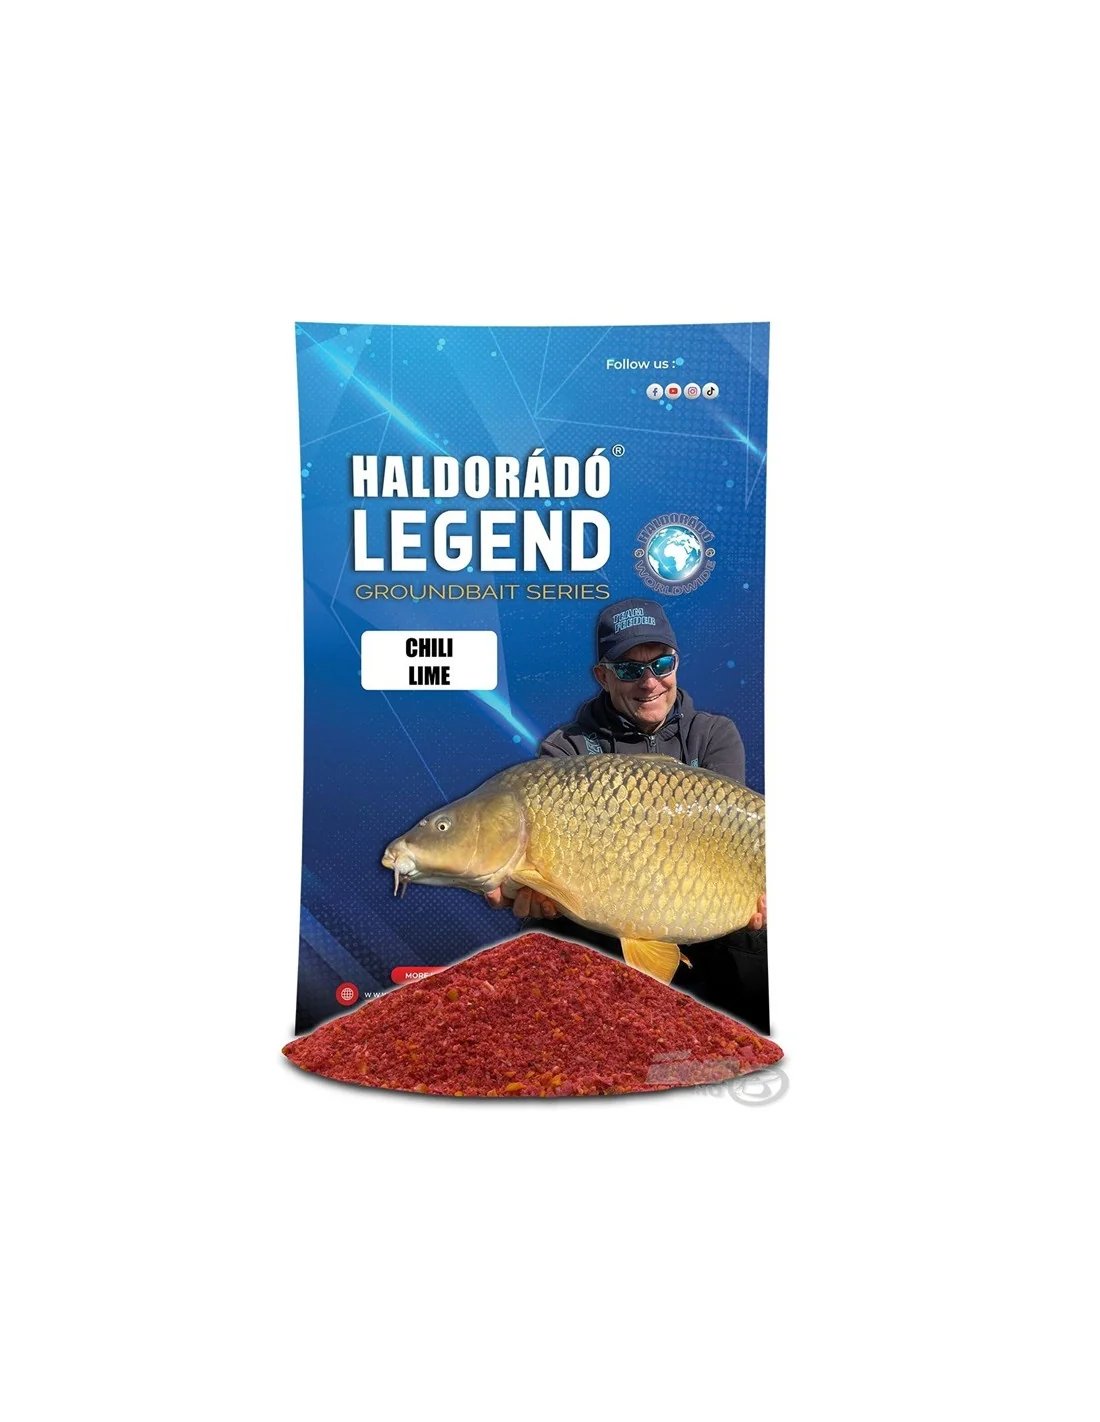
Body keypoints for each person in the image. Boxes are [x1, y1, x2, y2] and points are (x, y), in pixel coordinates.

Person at [485, 598, 770, 1031]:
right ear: (603, 676)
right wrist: (531, 891)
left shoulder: (714, 735)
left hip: (701, 911)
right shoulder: (566, 751)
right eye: (629, 669)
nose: (649, 681)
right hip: (607, 928)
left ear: (677, 663)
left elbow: (726, 839)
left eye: (662, 663)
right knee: (553, 931)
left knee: (755, 934)